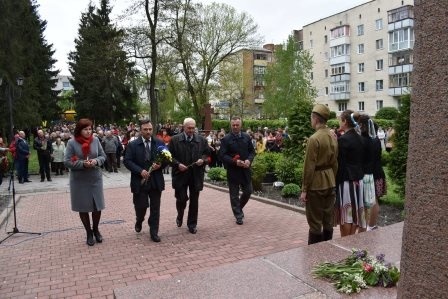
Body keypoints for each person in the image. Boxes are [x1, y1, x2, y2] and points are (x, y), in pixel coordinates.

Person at [300, 104, 338, 244]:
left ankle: (314, 253)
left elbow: (308, 167)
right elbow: (335, 163)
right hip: (330, 181)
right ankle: (327, 247)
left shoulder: (314, 139)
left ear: (315, 119)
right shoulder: (332, 136)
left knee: (315, 221)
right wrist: (332, 178)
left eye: (311, 117)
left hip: (316, 184)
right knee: (328, 218)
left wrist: (304, 189)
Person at [64, 119, 106, 246]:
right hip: (79, 180)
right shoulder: (72, 143)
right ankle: (88, 232)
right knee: (83, 207)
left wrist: (95, 161)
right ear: (79, 130)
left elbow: (103, 156)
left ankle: (96, 229)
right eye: (85, 129)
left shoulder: (96, 140)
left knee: (97, 206)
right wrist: (82, 164)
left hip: (95, 178)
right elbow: (67, 161)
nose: (88, 132)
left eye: (90, 129)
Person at [123, 119, 165, 243]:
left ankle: (154, 232)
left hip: (155, 180)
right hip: (139, 181)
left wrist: (161, 165)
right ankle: (139, 220)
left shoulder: (159, 142)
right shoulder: (133, 144)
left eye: (150, 129)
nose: (148, 131)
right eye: (145, 129)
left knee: (155, 208)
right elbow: (127, 161)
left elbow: (167, 158)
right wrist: (140, 171)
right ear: (140, 130)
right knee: (141, 206)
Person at [168, 118, 210, 234]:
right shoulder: (175, 140)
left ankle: (192, 224)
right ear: (184, 127)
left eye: (193, 128)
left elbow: (207, 154)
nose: (191, 130)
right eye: (189, 128)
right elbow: (168, 156)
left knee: (194, 200)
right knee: (181, 199)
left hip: (195, 175)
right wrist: (177, 164)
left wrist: (203, 160)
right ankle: (180, 214)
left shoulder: (201, 140)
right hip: (180, 175)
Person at [219, 116, 256, 225]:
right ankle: (238, 216)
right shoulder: (226, 139)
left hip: (245, 169)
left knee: (248, 191)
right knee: (234, 195)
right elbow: (222, 155)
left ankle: (238, 208)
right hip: (233, 170)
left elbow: (252, 152)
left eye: (237, 125)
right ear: (231, 125)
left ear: (241, 125)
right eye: (233, 125)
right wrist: (234, 162)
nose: (235, 127)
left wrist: (249, 160)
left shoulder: (246, 137)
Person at [334, 110, 366, 237]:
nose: (339, 122)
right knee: (355, 214)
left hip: (347, 181)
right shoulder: (360, 138)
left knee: (346, 215)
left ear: (345, 121)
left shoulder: (343, 140)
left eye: (340, 120)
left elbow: (339, 164)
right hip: (359, 180)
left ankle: (346, 241)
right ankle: (352, 239)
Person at [369, 122, 387, 231]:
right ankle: (372, 224)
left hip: (374, 174)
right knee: (374, 200)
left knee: (373, 200)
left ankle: (371, 225)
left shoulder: (372, 141)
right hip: (378, 172)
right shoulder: (376, 141)